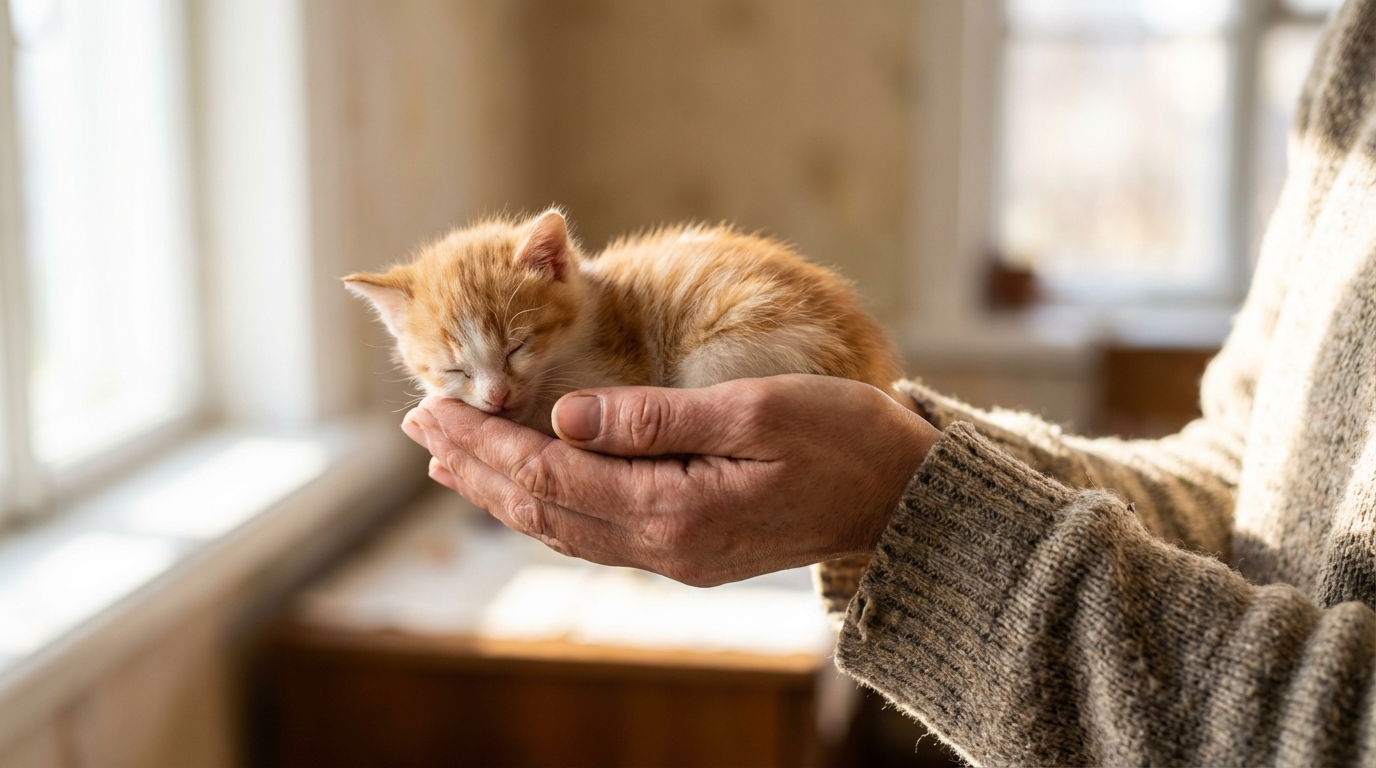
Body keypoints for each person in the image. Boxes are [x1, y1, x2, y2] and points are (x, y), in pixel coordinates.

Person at [400, 2, 1376, 763]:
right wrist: (904, 453)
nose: (492, 390)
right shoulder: (1354, 51)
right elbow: (1246, 482)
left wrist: (903, 505)